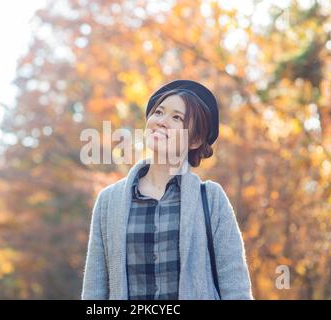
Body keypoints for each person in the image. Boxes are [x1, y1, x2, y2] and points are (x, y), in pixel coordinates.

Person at [82, 79, 253, 300]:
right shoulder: (108, 202)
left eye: (176, 118)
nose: (161, 121)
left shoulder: (211, 200)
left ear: (196, 140)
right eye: (159, 112)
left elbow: (236, 290)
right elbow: (94, 293)